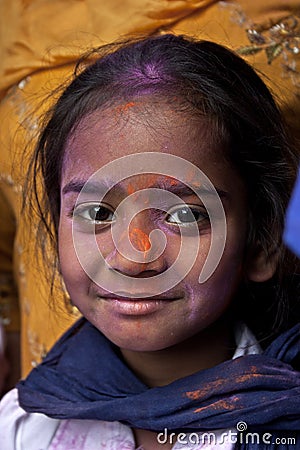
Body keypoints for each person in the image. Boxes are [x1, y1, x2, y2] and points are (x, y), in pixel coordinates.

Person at [0, 33, 299, 449]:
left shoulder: (285, 424)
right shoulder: (23, 426)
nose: (134, 257)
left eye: (184, 215)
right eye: (98, 214)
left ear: (263, 240)